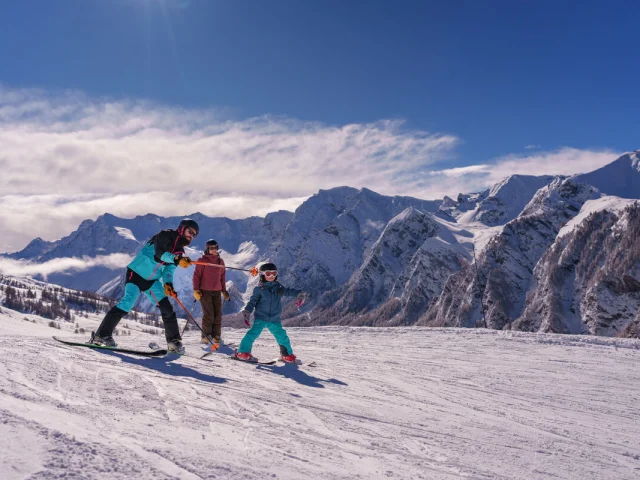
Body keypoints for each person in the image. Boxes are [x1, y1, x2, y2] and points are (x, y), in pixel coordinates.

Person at [91, 218, 199, 354]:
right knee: (127, 303)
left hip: (152, 281)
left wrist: (168, 284)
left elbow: (168, 270)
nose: (191, 236)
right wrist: (175, 259)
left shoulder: (180, 253)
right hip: (136, 273)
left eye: (194, 235)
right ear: (182, 228)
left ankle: (174, 341)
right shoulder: (165, 235)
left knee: (167, 308)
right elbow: (159, 255)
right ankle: (101, 335)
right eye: (190, 232)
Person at [235, 262, 305, 363]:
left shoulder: (279, 289)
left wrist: (299, 293)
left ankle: (286, 354)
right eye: (268, 274)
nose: (271, 276)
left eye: (274, 273)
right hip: (261, 318)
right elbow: (252, 302)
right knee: (252, 334)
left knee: (282, 336)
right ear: (262, 275)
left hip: (274, 319)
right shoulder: (259, 290)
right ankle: (242, 352)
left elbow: (289, 291)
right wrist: (247, 311)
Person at [193, 239, 230, 345]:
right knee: (209, 314)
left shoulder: (220, 261)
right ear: (207, 249)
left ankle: (216, 336)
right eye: (211, 248)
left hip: (217, 290)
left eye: (215, 247)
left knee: (218, 315)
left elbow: (222, 277)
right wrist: (196, 289)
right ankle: (206, 336)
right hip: (205, 291)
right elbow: (196, 276)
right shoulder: (202, 260)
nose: (214, 250)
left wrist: (224, 290)